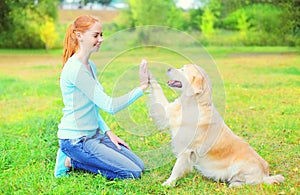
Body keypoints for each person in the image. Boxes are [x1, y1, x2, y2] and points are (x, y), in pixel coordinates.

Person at [54, 15, 149, 179]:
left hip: (94, 135)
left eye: (101, 35)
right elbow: (109, 106)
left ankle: (78, 157)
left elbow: (91, 108)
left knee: (140, 165)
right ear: (79, 36)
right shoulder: (75, 70)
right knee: (132, 173)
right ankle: (70, 160)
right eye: (96, 35)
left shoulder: (90, 66)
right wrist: (142, 88)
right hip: (77, 141)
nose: (101, 39)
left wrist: (108, 132)